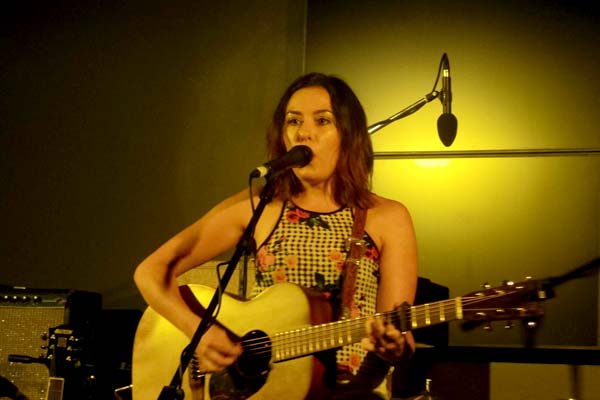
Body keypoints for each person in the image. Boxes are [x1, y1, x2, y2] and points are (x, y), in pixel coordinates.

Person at [133, 72, 418, 399]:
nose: (304, 133)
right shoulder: (261, 204)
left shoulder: (387, 217)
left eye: (322, 120)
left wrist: (394, 345)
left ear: (349, 135)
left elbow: (399, 330)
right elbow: (150, 272)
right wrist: (200, 333)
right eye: (293, 121)